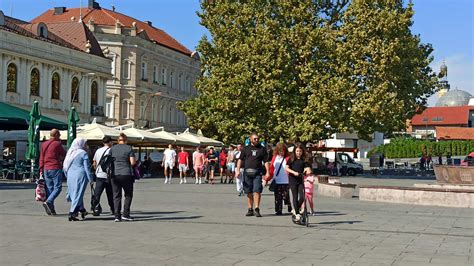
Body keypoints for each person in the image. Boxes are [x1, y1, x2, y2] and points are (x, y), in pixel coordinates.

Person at [235, 133, 270, 217]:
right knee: (249, 192)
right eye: (255, 139)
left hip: (257, 173)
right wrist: (238, 170)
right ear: (250, 139)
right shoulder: (245, 149)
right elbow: (240, 160)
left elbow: (266, 161)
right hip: (247, 173)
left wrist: (268, 172)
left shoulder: (262, 149)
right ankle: (250, 209)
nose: (257, 140)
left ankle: (257, 209)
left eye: (258, 139)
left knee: (257, 191)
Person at [63, 138, 94, 221]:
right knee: (78, 193)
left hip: (70, 175)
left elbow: (65, 166)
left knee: (74, 193)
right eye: (85, 144)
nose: (86, 146)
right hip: (80, 175)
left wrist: (67, 175)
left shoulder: (70, 152)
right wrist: (91, 178)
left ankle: (82, 210)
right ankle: (72, 212)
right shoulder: (83, 153)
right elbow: (87, 167)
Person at [39, 128, 66, 216]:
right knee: (58, 188)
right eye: (59, 135)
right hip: (55, 167)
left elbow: (41, 157)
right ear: (56, 135)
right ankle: (49, 201)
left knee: (50, 188)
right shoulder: (57, 144)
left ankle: (52, 209)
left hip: (45, 168)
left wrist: (41, 169)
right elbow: (64, 154)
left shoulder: (44, 144)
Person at [110, 133, 136, 222]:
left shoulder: (112, 148)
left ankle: (117, 216)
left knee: (116, 196)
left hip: (115, 174)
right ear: (126, 140)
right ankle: (126, 214)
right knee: (128, 194)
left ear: (118, 140)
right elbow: (132, 162)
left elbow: (110, 161)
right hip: (126, 174)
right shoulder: (129, 148)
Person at [285, 143, 312, 224]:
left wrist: (307, 171)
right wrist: (294, 172)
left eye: (300, 151)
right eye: (297, 151)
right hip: (293, 179)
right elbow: (286, 168)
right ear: (294, 151)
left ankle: (295, 209)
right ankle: (297, 213)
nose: (298, 153)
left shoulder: (304, 159)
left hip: (300, 179)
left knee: (302, 197)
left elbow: (307, 168)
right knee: (295, 196)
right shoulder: (291, 159)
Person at [263, 143, 291, 216]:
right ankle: (278, 210)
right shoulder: (275, 157)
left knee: (285, 195)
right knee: (278, 196)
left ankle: (288, 204)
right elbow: (272, 168)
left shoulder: (288, 158)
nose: (281, 152)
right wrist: (267, 178)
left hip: (286, 180)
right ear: (277, 151)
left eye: (283, 151)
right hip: (277, 180)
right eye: (280, 151)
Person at [91, 136, 114, 216]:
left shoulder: (98, 150)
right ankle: (113, 209)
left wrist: (96, 170)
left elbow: (94, 163)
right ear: (110, 142)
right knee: (110, 193)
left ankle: (95, 208)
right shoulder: (112, 150)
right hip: (109, 175)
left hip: (99, 175)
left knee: (97, 193)